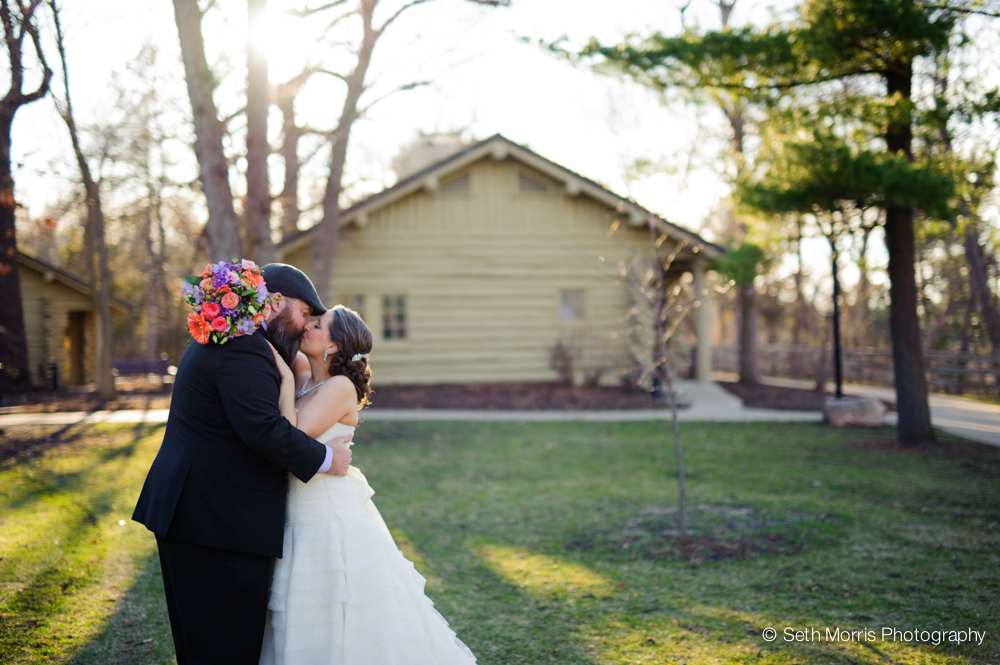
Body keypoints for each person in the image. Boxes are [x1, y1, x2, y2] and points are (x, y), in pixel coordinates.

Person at [132, 263, 353, 665]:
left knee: (205, 644)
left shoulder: (231, 336)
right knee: (223, 647)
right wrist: (327, 458)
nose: (306, 326)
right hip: (216, 519)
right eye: (305, 314)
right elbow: (263, 429)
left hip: (204, 514)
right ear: (277, 303)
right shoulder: (244, 344)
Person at [260, 304, 478, 665]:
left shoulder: (340, 386)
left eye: (317, 324)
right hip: (298, 511)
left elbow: (291, 435)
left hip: (326, 517)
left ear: (332, 346)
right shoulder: (306, 376)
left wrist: (283, 380)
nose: (308, 326)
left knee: (338, 611)